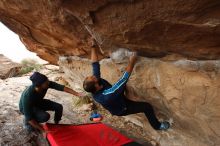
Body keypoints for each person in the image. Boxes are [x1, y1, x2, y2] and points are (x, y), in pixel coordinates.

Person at [83, 46, 170, 130]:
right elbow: (123, 79)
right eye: (93, 78)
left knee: (121, 88)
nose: (94, 76)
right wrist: (132, 60)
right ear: (96, 86)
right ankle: (157, 126)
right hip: (122, 108)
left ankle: (124, 95)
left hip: (117, 97)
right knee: (147, 107)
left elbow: (95, 64)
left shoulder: (96, 83)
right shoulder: (105, 97)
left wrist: (93, 46)